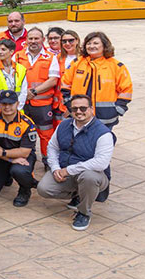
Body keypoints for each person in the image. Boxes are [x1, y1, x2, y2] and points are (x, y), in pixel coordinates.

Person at [37, 95, 114, 231]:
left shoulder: (103, 133)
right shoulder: (63, 125)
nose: (79, 111)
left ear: (91, 109)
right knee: (43, 188)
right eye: (74, 109)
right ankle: (79, 195)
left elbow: (101, 163)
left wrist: (68, 170)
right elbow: (52, 147)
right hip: (65, 171)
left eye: (83, 108)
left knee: (89, 177)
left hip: (92, 175)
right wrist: (55, 169)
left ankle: (84, 213)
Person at [61, 32, 132, 129]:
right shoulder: (76, 63)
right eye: (88, 43)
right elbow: (65, 85)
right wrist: (71, 106)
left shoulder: (116, 66)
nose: (91, 46)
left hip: (105, 117)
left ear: (104, 45)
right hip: (79, 115)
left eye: (95, 43)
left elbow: (126, 90)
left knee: (103, 138)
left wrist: (118, 110)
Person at [0, 90, 38, 207]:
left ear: (17, 104)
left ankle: (25, 190)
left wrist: (3, 152)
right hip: (0, 158)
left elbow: (25, 152)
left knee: (19, 171)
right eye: (4, 104)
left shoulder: (27, 123)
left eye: (11, 104)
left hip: (21, 158)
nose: (7, 107)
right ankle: (6, 176)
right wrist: (10, 159)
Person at [13, 27, 59, 162]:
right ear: (26, 40)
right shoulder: (17, 56)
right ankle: (25, 159)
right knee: (21, 132)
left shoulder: (51, 57)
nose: (33, 41)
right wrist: (23, 94)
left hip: (42, 104)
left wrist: (33, 92)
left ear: (43, 40)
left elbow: (53, 80)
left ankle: (48, 160)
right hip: (21, 104)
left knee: (46, 134)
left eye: (36, 38)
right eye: (31, 38)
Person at [0, 39, 28, 113]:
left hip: (16, 112)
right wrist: (4, 109)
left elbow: (23, 92)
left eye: (3, 49)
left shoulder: (21, 69)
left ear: (11, 51)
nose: (0, 52)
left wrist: (16, 109)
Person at [52, 30, 81, 128]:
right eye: (64, 41)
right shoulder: (58, 58)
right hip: (62, 103)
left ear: (77, 40)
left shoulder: (85, 58)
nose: (67, 44)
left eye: (71, 40)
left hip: (80, 102)